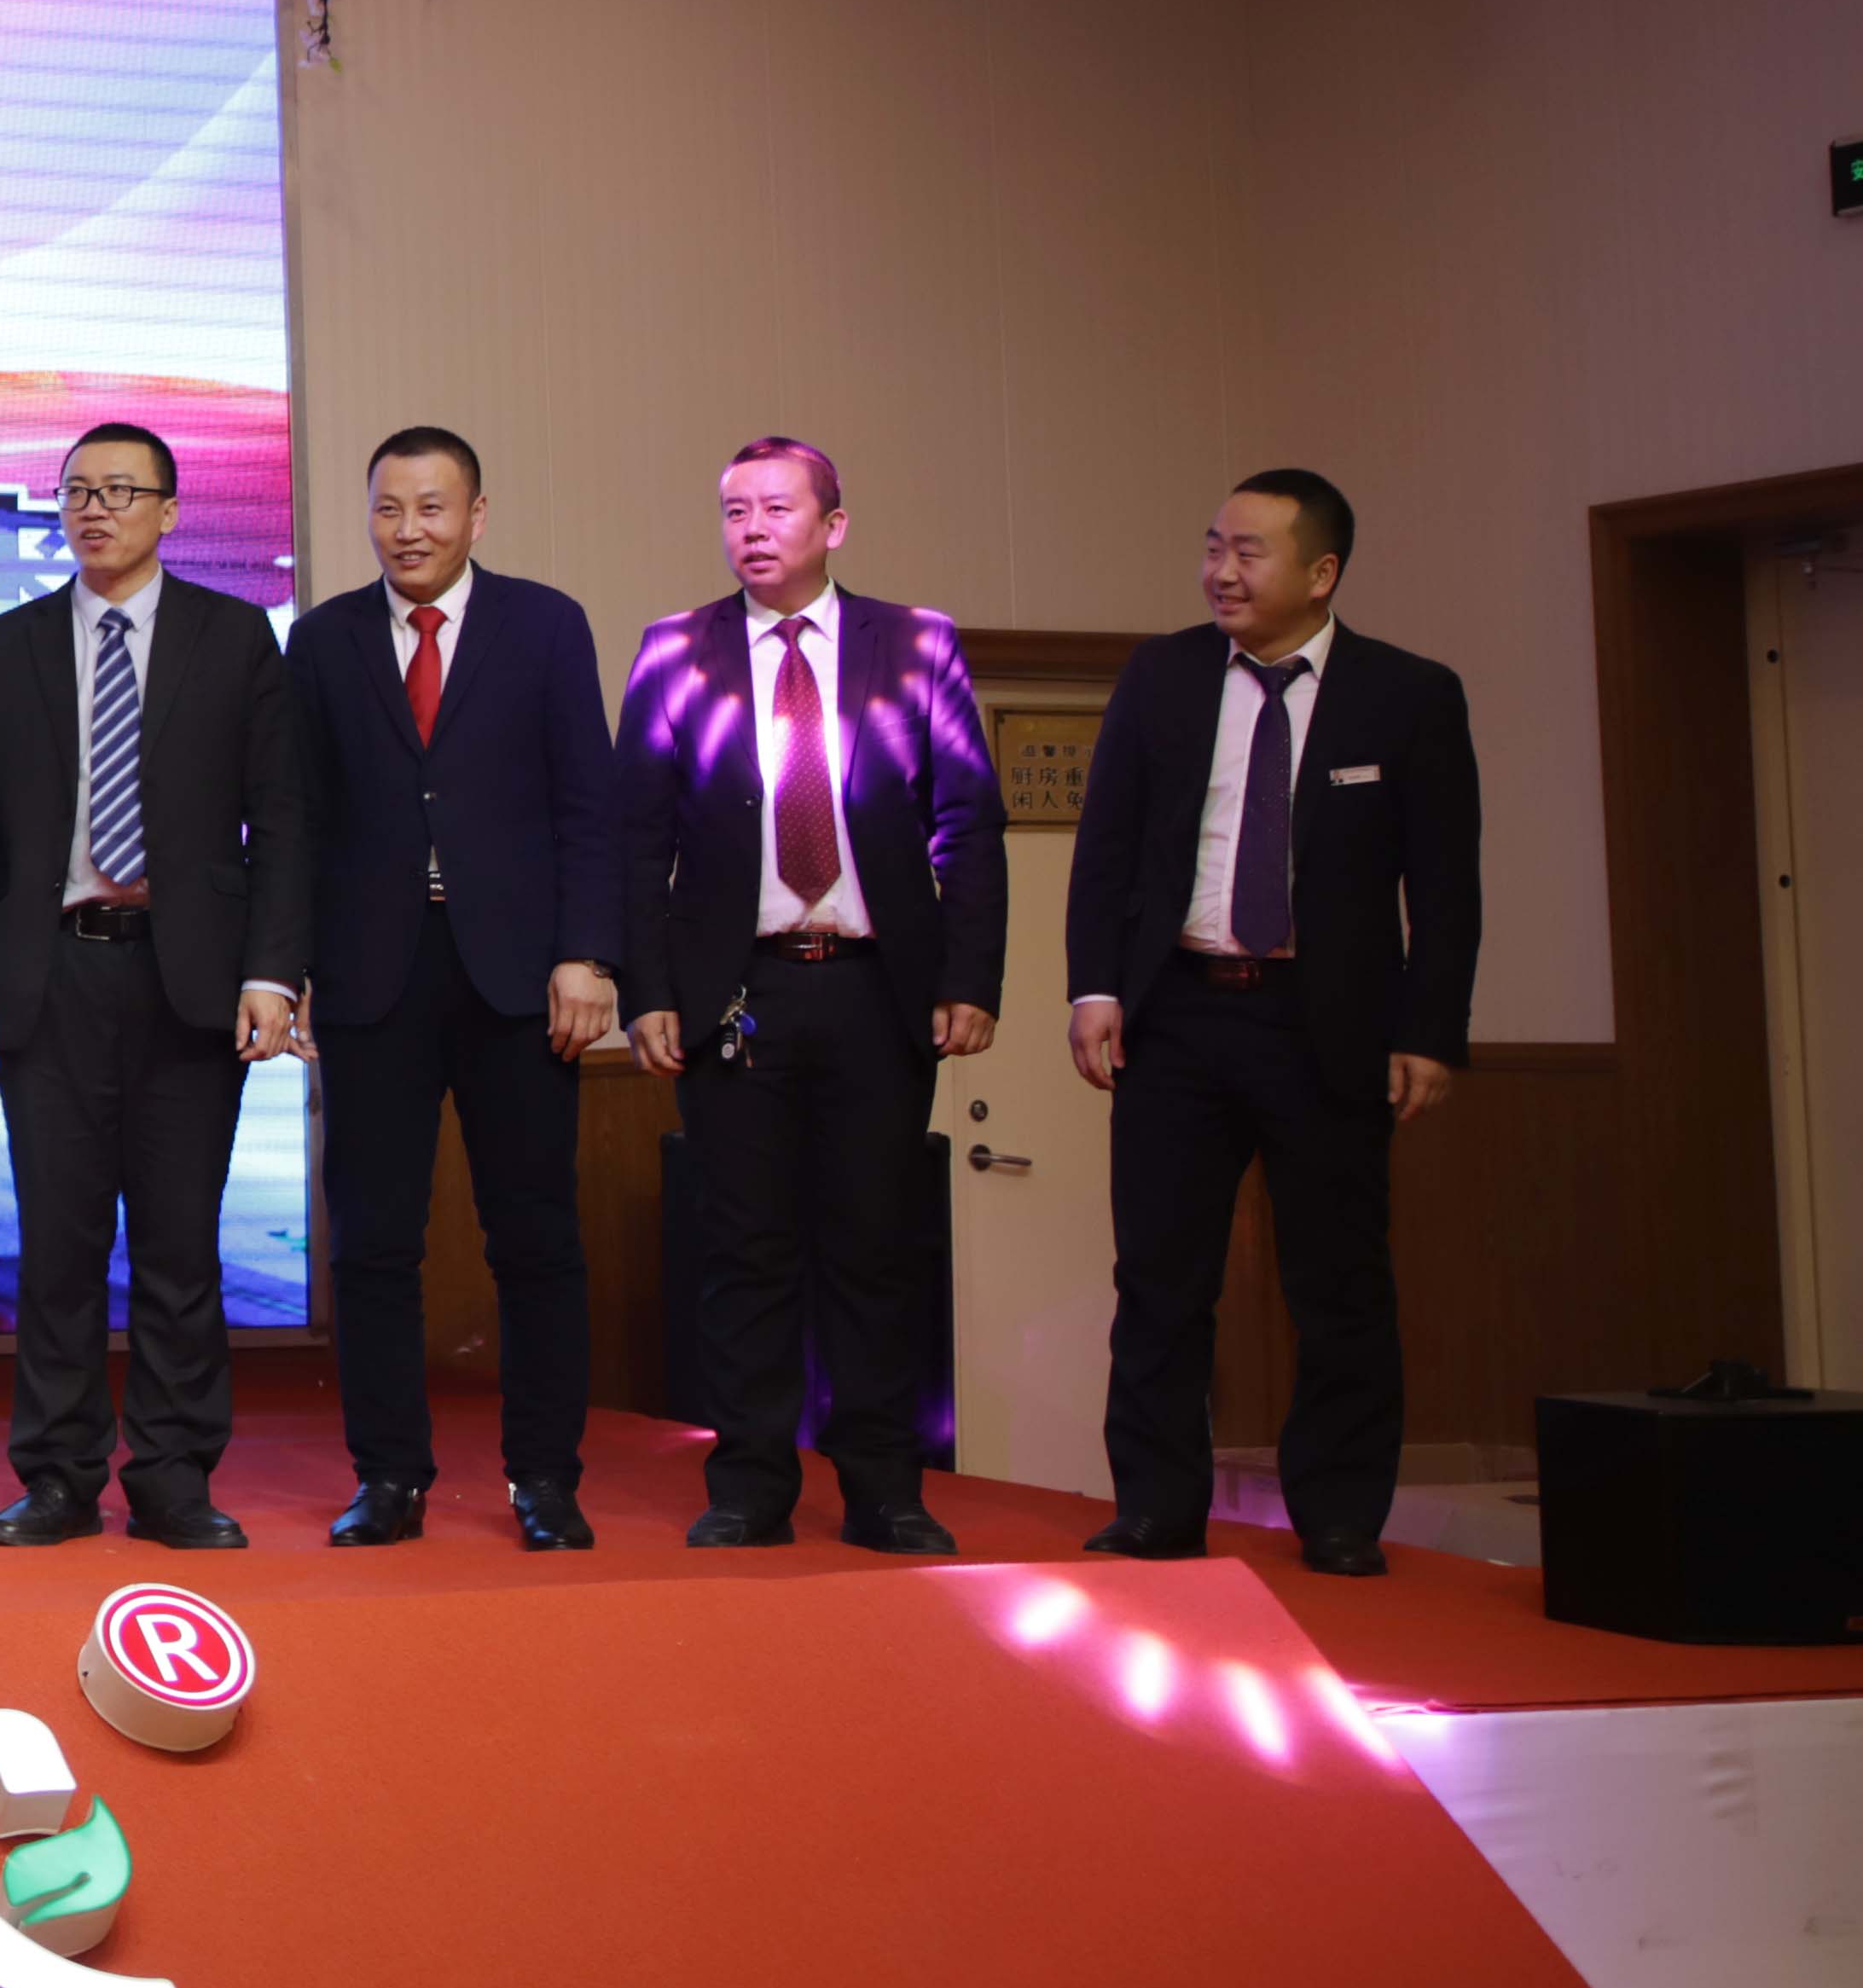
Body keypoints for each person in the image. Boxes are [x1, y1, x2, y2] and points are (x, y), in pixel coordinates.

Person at [1065, 469, 1480, 1577]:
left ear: (1322, 571)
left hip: (1326, 1024)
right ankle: (1157, 1507)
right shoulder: (1161, 676)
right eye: (1214, 546)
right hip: (1179, 1015)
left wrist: (1431, 1030)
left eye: (1249, 552)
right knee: (1160, 1278)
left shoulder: (1408, 695)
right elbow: (1107, 849)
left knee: (1338, 1281)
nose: (1222, 571)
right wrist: (1094, 987)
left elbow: (1446, 887)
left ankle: (1339, 1515)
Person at [615, 437, 1005, 1556]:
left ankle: (886, 1489)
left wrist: (970, 977)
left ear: (834, 524)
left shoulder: (915, 643)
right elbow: (635, 838)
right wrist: (648, 991)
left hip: (879, 991)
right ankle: (749, 1487)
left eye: (777, 508)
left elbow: (968, 822)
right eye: (733, 509)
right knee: (744, 1252)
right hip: (737, 994)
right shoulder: (676, 650)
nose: (751, 529)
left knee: (875, 1249)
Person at [0, 422, 310, 1552]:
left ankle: (173, 1476)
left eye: (119, 490)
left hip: (188, 977)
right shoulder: (3, 649)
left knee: (179, 1241)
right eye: (77, 491)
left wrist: (272, 972)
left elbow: (281, 818)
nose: (94, 508)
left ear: (170, 509)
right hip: (50, 972)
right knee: (57, 1244)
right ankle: (57, 1476)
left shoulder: (233, 636)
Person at [287, 427, 624, 1552]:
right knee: (372, 1242)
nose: (408, 530)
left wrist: (588, 953)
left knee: (535, 1236)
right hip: (372, 973)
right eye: (388, 509)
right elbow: (296, 820)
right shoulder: (325, 638)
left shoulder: (546, 625)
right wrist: (289, 966)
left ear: (477, 515)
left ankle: (546, 1477)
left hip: (520, 977)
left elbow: (589, 802)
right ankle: (389, 1476)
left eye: (432, 508)